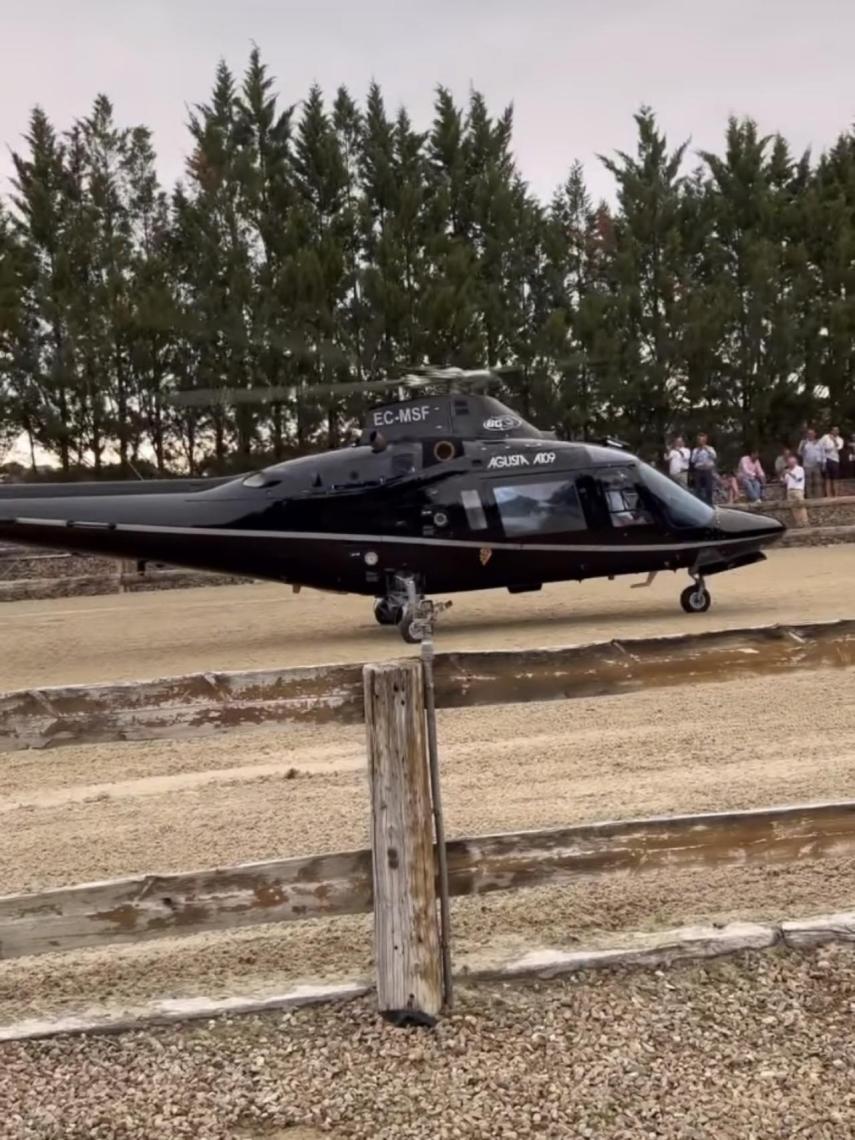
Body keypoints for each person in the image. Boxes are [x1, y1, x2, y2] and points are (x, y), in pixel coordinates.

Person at [690, 433, 717, 505]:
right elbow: (693, 460)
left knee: (709, 488)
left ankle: (709, 503)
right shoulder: (695, 450)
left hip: (707, 470)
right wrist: (698, 452)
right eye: (700, 440)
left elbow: (714, 457)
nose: (701, 441)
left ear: (705, 440)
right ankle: (699, 503)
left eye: (703, 440)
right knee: (698, 488)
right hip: (699, 470)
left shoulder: (710, 448)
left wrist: (707, 449)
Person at [782, 453, 808, 527]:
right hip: (789, 490)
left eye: (792, 462)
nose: (791, 464)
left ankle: (805, 522)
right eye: (789, 462)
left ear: (795, 462)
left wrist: (789, 473)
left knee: (801, 506)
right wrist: (783, 477)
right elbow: (785, 481)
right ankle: (798, 523)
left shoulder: (800, 469)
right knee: (793, 508)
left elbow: (798, 479)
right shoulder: (787, 471)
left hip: (798, 490)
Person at [798, 429, 825, 498]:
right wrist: (803, 447)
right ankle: (810, 498)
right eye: (809, 433)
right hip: (807, 465)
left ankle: (818, 497)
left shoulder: (819, 442)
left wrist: (824, 463)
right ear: (807, 435)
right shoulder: (803, 442)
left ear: (815, 434)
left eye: (812, 433)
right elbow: (799, 453)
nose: (811, 435)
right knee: (808, 483)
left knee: (818, 482)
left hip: (817, 465)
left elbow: (823, 453)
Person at [820, 425, 844, 497]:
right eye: (834, 430)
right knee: (827, 479)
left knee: (835, 479)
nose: (836, 431)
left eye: (837, 430)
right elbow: (820, 445)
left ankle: (836, 495)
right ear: (831, 431)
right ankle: (828, 495)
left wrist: (834, 440)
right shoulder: (825, 437)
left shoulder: (840, 439)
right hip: (826, 459)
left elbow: (838, 447)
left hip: (835, 460)